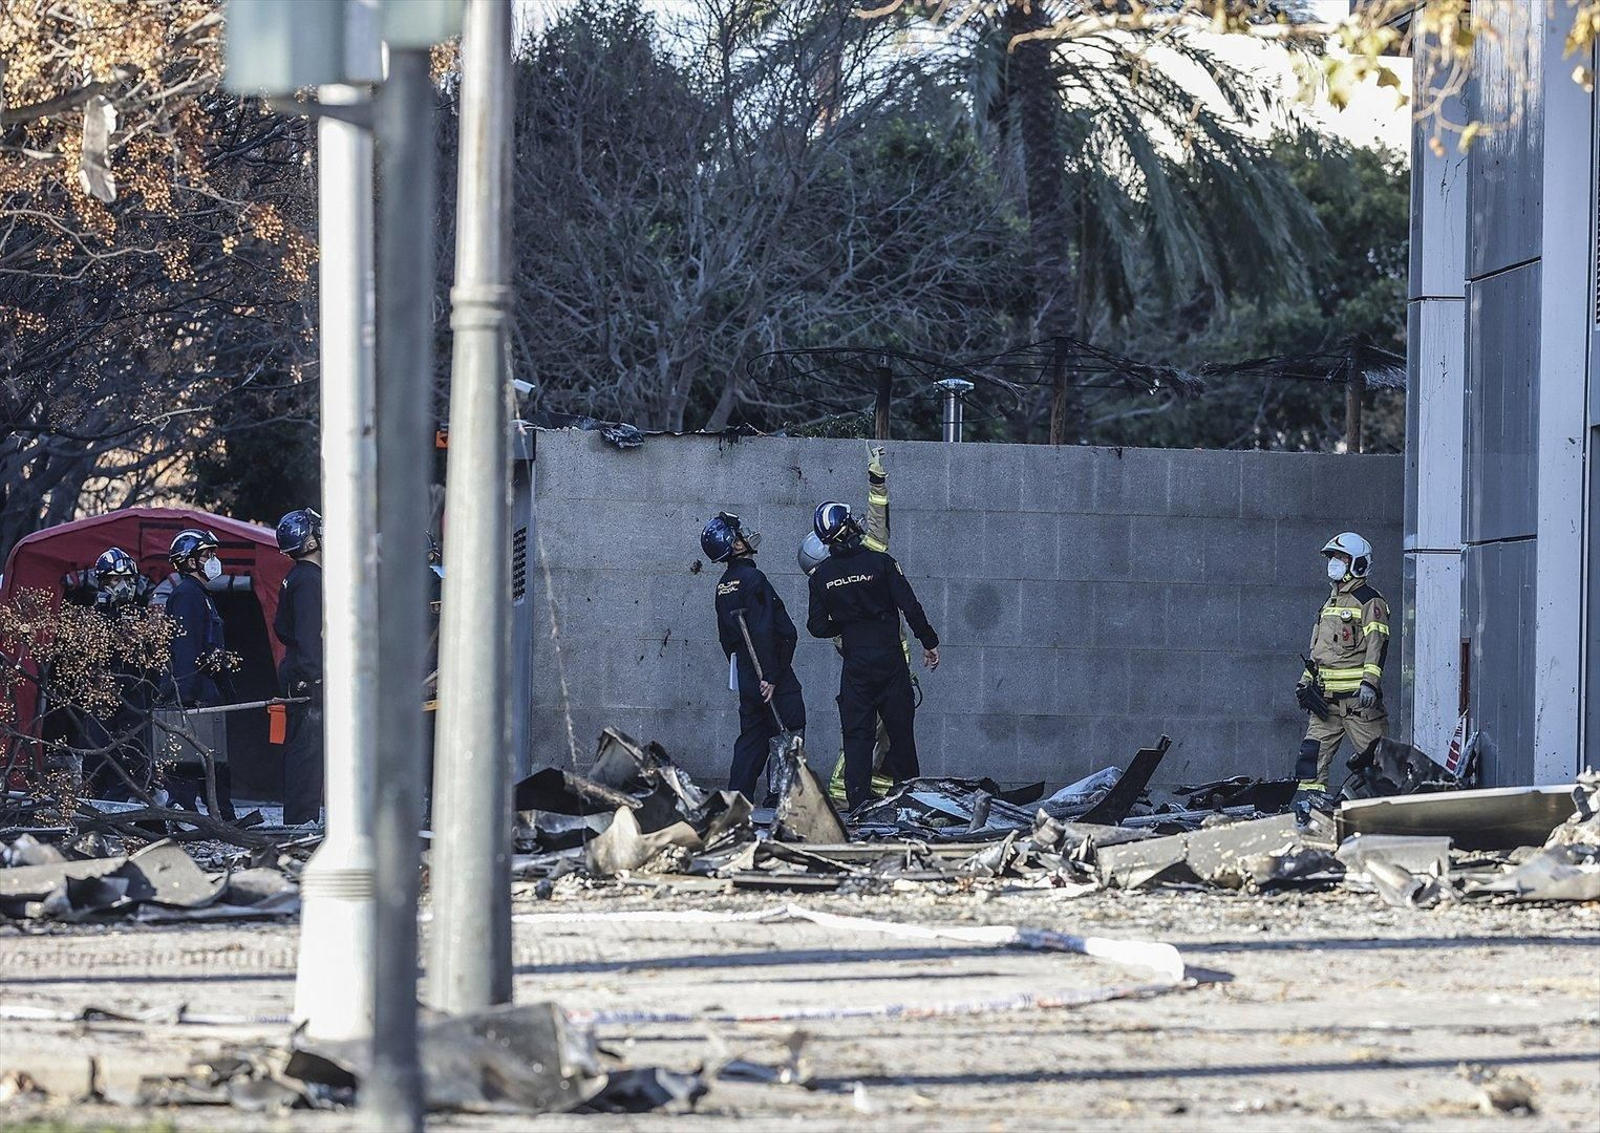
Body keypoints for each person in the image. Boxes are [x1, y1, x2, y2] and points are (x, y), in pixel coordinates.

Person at [806, 500, 939, 813]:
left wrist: (847, 625)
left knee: (857, 737)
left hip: (855, 665)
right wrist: (928, 641)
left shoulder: (821, 576)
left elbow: (816, 626)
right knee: (900, 734)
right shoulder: (881, 563)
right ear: (848, 527)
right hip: (889, 660)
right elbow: (910, 605)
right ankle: (910, 801)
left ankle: (858, 806)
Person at [798, 446, 906, 805]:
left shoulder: (833, 583)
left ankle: (871, 785)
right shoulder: (856, 569)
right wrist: (876, 482)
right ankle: (846, 789)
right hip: (884, 662)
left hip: (885, 660)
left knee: (877, 731)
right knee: (868, 728)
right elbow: (877, 527)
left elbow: (876, 524)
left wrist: (877, 482)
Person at [703, 511, 806, 803]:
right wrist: (771, 676)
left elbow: (726, 638)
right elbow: (764, 629)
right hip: (772, 672)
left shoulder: (724, 585)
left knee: (752, 736)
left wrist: (748, 674)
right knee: (789, 730)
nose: (746, 535)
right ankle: (781, 800)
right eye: (741, 534)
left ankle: (737, 798)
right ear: (735, 544)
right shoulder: (753, 579)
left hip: (748, 671)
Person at [1293, 531, 1390, 805]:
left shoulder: (1369, 601)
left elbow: (1378, 643)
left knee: (1379, 766)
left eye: (1341, 558)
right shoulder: (1331, 602)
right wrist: (1305, 682)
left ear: (1358, 564)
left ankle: (1388, 816)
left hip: (1359, 705)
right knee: (1310, 764)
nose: (1333, 563)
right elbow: (1319, 652)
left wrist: (1369, 683)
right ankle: (1310, 814)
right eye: (1332, 557)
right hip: (1325, 705)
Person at [162, 528, 236, 819]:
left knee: (215, 760)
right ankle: (186, 816)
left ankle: (223, 815)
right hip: (195, 695)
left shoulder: (201, 595)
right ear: (189, 561)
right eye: (207, 554)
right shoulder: (187, 595)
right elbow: (185, 648)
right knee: (189, 761)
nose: (213, 559)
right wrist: (186, 697)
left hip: (207, 690)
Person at [81, 548, 154, 799]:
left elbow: (151, 656)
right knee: (97, 748)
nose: (123, 585)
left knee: (134, 750)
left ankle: (132, 798)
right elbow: (85, 656)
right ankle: (94, 798)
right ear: (103, 582)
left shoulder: (140, 615)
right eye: (115, 579)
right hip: (101, 693)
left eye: (127, 579)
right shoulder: (92, 616)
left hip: (133, 692)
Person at [274, 508, 324, 826]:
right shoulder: (308, 580)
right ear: (309, 542)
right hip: (307, 677)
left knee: (308, 749)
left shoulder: (300, 577)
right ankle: (300, 820)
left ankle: (303, 816)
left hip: (299, 671)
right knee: (307, 750)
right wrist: (315, 676)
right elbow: (310, 635)